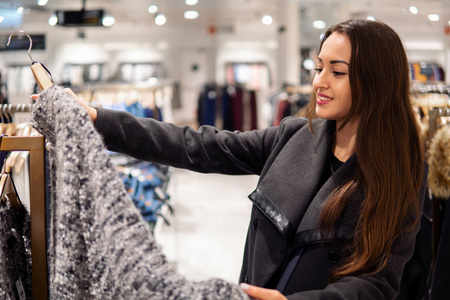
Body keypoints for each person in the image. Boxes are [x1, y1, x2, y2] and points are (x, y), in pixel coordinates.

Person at [42, 18, 427, 299]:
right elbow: (199, 145)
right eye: (318, 67)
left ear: (375, 81)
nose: (319, 82)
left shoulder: (400, 172)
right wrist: (99, 120)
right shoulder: (296, 135)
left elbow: (377, 281)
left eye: (337, 71)